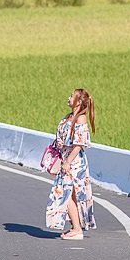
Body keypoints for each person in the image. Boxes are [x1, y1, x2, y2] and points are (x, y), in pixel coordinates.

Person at [46, 88, 96, 239]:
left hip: (74, 162)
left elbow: (79, 145)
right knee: (69, 195)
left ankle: (77, 229)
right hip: (65, 159)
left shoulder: (80, 119)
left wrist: (67, 162)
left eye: (71, 96)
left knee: (65, 194)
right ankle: (76, 228)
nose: (68, 98)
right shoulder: (69, 117)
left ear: (79, 102)